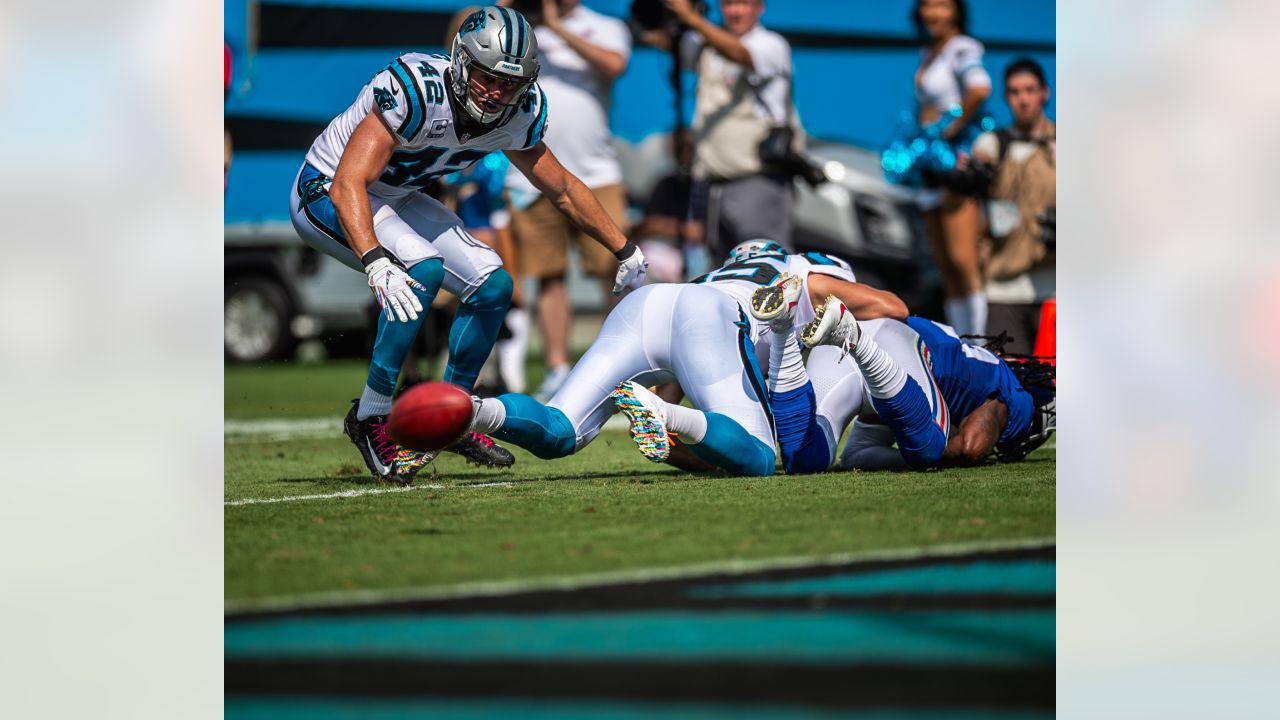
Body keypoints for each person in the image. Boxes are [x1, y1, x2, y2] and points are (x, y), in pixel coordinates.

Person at [288, 6, 648, 482]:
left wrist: (625, 249)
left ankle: (452, 416)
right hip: (327, 189)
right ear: (460, 62)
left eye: (509, 83)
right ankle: (372, 415)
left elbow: (559, 186)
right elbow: (349, 182)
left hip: (395, 195)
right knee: (423, 269)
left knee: (494, 284)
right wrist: (375, 259)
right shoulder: (416, 89)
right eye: (486, 77)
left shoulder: (519, 112)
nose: (497, 93)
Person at [462, 241, 907, 477]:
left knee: (559, 433)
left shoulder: (717, 274)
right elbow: (894, 308)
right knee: (758, 456)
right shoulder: (804, 276)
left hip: (646, 306)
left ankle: (469, 411)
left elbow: (672, 405)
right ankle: (670, 415)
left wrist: (670, 422)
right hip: (710, 319)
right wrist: (834, 328)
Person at [504, 0, 634, 402]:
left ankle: (621, 366)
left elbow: (614, 65)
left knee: (614, 272)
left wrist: (556, 26)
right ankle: (559, 368)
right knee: (548, 276)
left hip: (596, 175)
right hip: (530, 175)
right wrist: (510, 13)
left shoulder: (604, 25)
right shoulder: (518, 27)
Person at [647, 0, 799, 261]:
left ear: (759, 7)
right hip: (713, 184)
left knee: (769, 269)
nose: (736, 11)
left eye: (744, 3)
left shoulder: (770, 43)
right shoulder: (709, 47)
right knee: (725, 273)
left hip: (757, 181)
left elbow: (741, 54)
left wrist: (693, 20)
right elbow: (658, 38)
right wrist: (673, 12)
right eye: (729, 4)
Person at [912, 0, 992, 337]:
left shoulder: (962, 47)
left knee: (962, 260)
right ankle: (963, 343)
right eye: (929, 5)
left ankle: (984, 345)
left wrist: (951, 127)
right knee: (945, 265)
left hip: (953, 162)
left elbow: (980, 87)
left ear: (957, 10)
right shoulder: (930, 51)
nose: (934, 13)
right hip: (930, 163)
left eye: (943, 5)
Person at [970, 58, 1056, 356]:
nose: (1023, 99)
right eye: (1015, 92)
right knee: (1008, 384)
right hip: (1003, 287)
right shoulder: (993, 145)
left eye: (1030, 90)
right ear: (1007, 97)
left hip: (1056, 287)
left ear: (1044, 92)